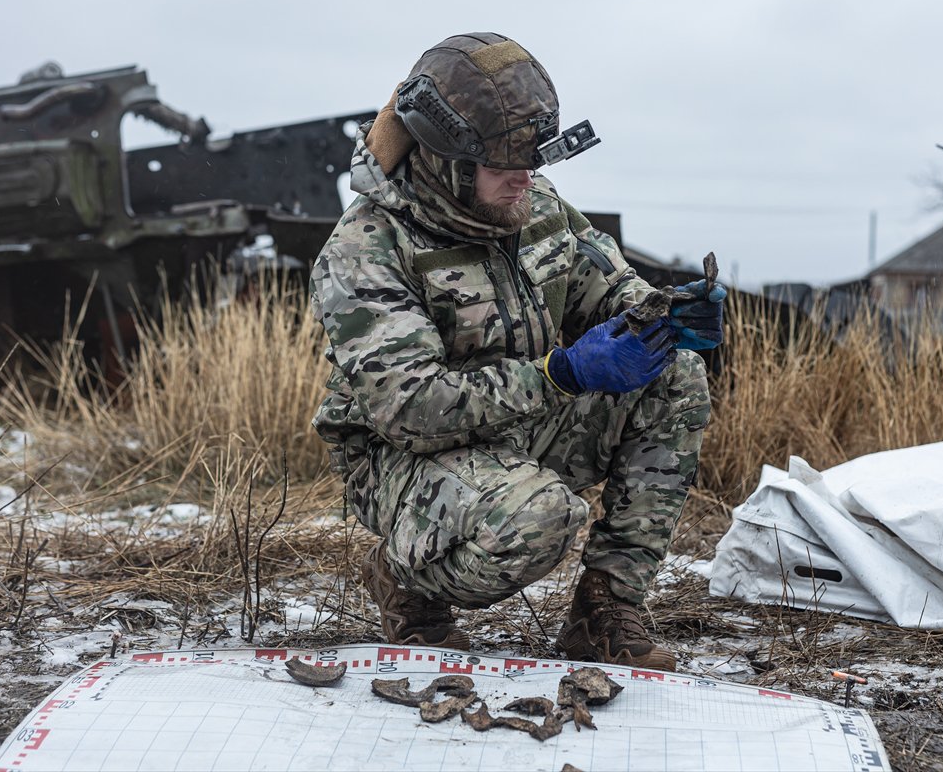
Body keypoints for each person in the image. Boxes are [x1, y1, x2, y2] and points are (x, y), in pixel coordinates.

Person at [310, 33, 725, 671]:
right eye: (505, 168)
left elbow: (612, 292)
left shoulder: (536, 207)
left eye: (531, 164)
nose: (524, 181)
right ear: (445, 160)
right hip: (400, 458)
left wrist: (667, 317)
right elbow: (412, 408)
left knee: (677, 376)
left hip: (518, 419)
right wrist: (562, 372)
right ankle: (406, 576)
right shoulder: (365, 250)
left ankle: (605, 608)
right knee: (540, 518)